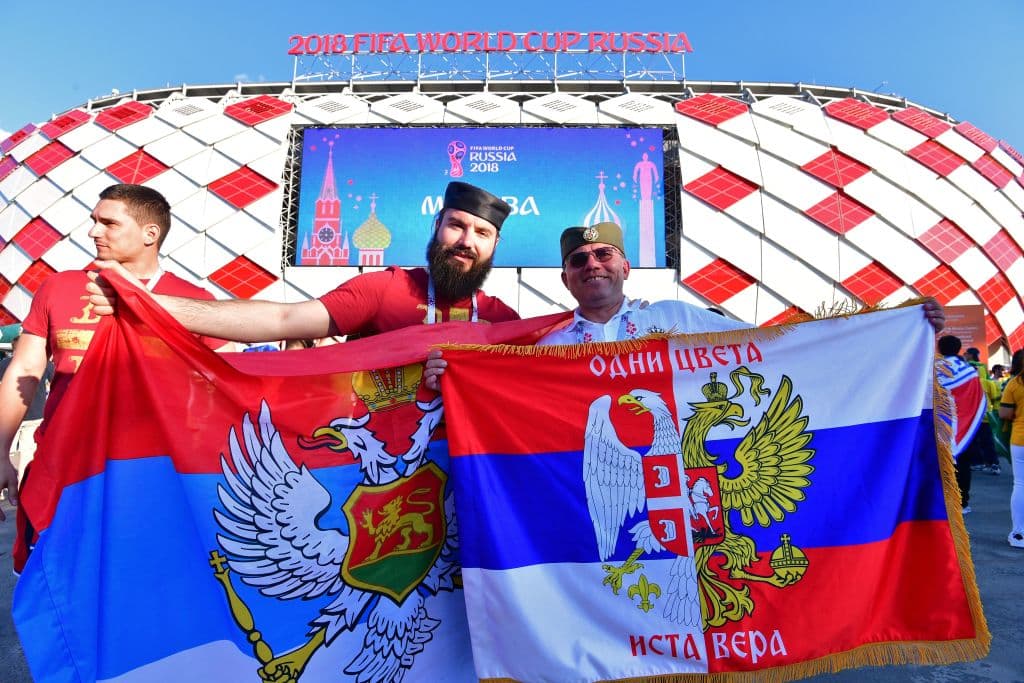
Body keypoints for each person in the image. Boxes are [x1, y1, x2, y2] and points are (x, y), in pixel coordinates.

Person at [0, 184, 229, 568]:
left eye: (108, 222)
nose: (93, 231)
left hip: (155, 475)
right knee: (56, 586)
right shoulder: (60, 288)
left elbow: (224, 385)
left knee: (147, 586)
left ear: (150, 234)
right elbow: (24, 369)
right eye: (93, 221)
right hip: (64, 468)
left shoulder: (193, 301)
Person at [87, 181, 519, 343]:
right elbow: (282, 322)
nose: (466, 242)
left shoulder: (503, 319)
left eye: (481, 234)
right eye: (456, 226)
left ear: (495, 245)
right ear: (435, 226)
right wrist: (154, 304)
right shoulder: (385, 289)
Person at [0, 335, 52, 483]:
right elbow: (53, 382)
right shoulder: (44, 363)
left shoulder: (4, 363)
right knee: (27, 452)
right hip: (36, 413)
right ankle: (22, 483)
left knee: (5, 450)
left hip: (10, 415)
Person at [998, 348, 1024, 548]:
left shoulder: (1014, 384)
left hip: (1021, 439)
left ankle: (1019, 534)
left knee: (1021, 484)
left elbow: (1005, 414)